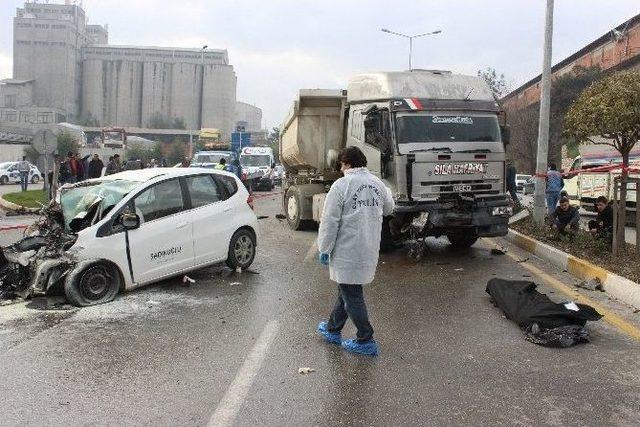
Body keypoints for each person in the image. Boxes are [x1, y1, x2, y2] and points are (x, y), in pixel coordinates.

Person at [316, 146, 395, 356]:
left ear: (347, 163)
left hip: (347, 249)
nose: (341, 169)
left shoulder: (342, 185)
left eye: (342, 164)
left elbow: (329, 221)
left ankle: (365, 338)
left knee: (352, 293)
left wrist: (324, 248)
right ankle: (333, 329)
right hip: (368, 246)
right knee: (346, 289)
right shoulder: (378, 183)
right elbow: (389, 208)